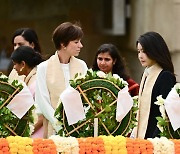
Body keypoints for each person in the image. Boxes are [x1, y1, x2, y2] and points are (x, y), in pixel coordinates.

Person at [35, 22, 88, 138]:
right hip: (54, 128)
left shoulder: (82, 66)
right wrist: (59, 123)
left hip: (79, 127)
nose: (81, 45)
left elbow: (87, 96)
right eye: (76, 42)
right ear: (63, 44)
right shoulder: (43, 68)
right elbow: (42, 101)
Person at [134, 31, 176, 139]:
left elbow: (166, 114)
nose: (140, 56)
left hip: (156, 140)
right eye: (139, 51)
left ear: (155, 51)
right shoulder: (146, 75)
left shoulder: (165, 76)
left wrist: (155, 139)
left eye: (144, 51)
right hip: (142, 137)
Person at [11, 45, 44, 138]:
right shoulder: (30, 79)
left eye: (15, 64)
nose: (14, 68)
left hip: (37, 135)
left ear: (23, 64)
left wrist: (24, 134)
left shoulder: (36, 82)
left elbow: (41, 116)